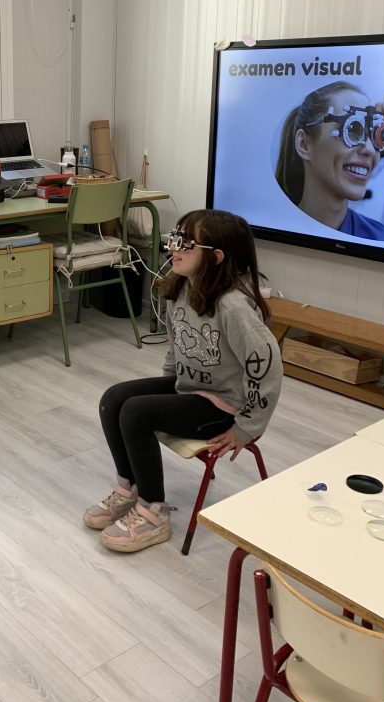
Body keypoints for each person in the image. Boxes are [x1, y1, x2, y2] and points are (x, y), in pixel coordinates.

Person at [83, 209, 282, 553]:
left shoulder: (233, 307)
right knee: (114, 399)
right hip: (191, 390)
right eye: (174, 238)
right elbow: (176, 350)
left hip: (224, 407)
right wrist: (167, 398)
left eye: (186, 243)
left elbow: (267, 367)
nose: (173, 247)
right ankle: (129, 486)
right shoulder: (180, 288)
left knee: (136, 412)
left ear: (216, 258)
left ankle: (154, 513)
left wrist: (246, 428)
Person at [274, 82, 384, 240]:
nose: (369, 149)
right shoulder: (268, 229)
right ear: (304, 144)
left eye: (375, 134)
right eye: (353, 129)